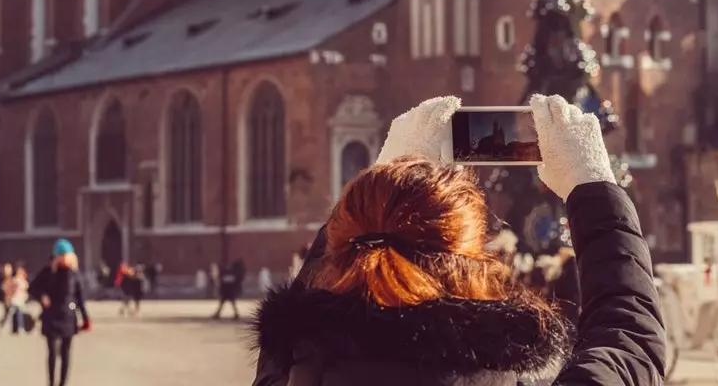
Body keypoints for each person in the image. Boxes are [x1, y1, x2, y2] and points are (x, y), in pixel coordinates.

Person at [252, 95, 666, 385]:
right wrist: (592, 185)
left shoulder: (291, 371)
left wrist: (384, 186)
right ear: (471, 257)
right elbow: (629, 341)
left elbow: (297, 324)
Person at [30, 240, 91, 386]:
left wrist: (86, 318)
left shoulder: (75, 274)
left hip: (68, 317)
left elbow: (79, 299)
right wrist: (42, 297)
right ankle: (51, 383)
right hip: (51, 316)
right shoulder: (47, 272)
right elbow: (33, 288)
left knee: (65, 354)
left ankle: (63, 383)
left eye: (67, 255)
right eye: (62, 255)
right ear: (56, 256)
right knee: (52, 353)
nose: (65, 258)